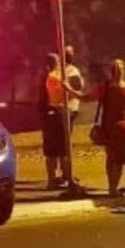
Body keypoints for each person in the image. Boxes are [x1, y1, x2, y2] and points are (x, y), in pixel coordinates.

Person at [95, 59, 125, 196]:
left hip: (110, 125)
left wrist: (69, 90)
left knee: (110, 157)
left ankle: (111, 187)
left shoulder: (106, 86)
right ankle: (114, 187)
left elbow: (86, 97)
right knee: (119, 158)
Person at [39, 52, 71, 190]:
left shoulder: (43, 77)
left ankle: (53, 179)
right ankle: (65, 177)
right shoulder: (54, 77)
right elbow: (63, 95)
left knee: (51, 150)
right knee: (62, 149)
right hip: (57, 114)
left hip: (48, 115)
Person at [64, 45, 85, 130]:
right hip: (69, 107)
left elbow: (77, 87)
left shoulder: (72, 70)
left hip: (69, 107)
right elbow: (79, 86)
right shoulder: (72, 70)